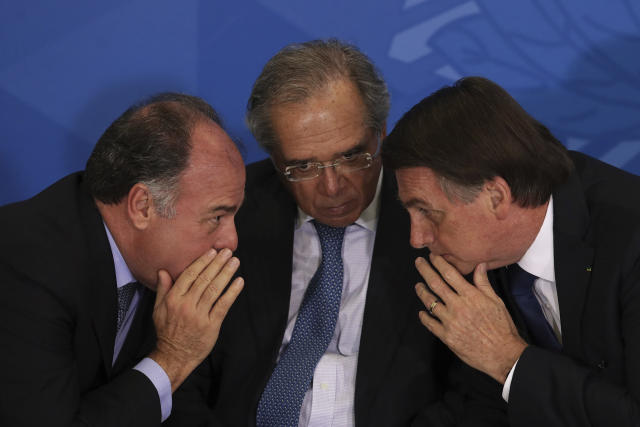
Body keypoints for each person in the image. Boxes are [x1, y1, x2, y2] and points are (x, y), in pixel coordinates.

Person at [167, 39, 467, 427]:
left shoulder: (441, 213)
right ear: (274, 158)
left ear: (381, 133)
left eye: (350, 157)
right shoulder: (228, 216)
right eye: (302, 167)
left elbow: (476, 391)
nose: (331, 187)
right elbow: (180, 375)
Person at [382, 76, 640, 426]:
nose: (417, 237)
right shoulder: (479, 258)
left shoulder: (631, 238)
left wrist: (507, 359)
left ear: (496, 197)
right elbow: (478, 406)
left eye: (427, 211)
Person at [0, 93, 246, 427]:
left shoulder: (163, 268)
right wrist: (172, 359)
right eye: (217, 217)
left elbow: (180, 409)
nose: (231, 241)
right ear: (142, 206)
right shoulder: (24, 262)